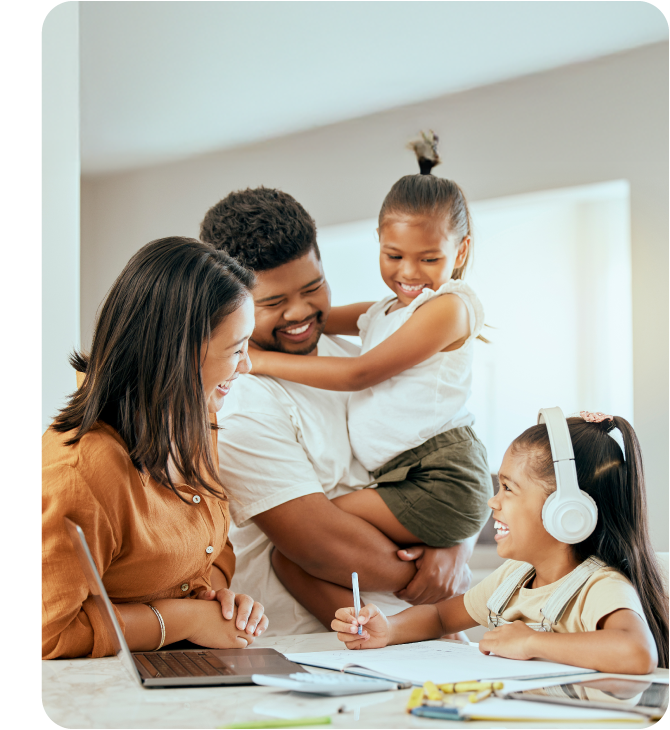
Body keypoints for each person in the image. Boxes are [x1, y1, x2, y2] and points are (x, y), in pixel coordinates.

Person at [200, 187, 476, 635]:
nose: (300, 312)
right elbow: (317, 543)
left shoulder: (348, 352)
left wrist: (455, 545)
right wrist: (431, 578)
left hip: (419, 637)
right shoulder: (238, 400)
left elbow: (443, 446)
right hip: (313, 649)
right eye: (272, 303)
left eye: (313, 288)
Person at [248, 132, 492, 615]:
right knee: (295, 557)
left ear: (461, 252)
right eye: (394, 256)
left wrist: (252, 360)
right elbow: (314, 318)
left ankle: (399, 624)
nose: (409, 273)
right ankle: (372, 631)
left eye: (430, 259)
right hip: (404, 476)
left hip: (438, 474)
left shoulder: (450, 308)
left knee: (313, 541)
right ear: (378, 243)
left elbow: (360, 373)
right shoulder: (385, 311)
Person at [41, 237, 268, 659]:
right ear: (179, 352)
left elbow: (213, 550)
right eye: (236, 349)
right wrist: (181, 620)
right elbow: (48, 633)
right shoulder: (80, 472)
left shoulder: (195, 418)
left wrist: (216, 600)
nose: (247, 365)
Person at [332, 412, 669, 674]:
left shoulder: (599, 586)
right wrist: (388, 629)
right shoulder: (515, 577)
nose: (493, 502)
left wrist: (533, 641)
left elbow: (637, 652)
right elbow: (439, 616)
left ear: (566, 512)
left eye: (508, 488)